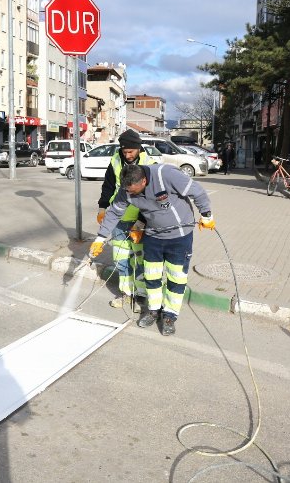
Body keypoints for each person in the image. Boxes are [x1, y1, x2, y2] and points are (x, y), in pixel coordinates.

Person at [89, 164, 215, 336]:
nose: (131, 195)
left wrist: (207, 215)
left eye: (134, 191)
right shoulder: (127, 189)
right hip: (153, 236)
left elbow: (197, 191)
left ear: (144, 180)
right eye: (128, 191)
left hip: (179, 236)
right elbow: (114, 213)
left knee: (176, 277)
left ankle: (170, 315)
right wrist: (100, 238)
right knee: (152, 275)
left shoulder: (166, 175)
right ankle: (153, 310)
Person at [96, 129, 156, 312]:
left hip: (140, 220)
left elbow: (152, 198)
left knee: (140, 259)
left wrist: (141, 223)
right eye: (124, 151)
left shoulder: (150, 164)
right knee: (121, 259)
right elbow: (108, 185)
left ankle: (141, 295)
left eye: (131, 151)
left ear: (138, 148)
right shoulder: (115, 160)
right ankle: (126, 294)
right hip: (119, 219)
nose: (128, 155)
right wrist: (102, 207)